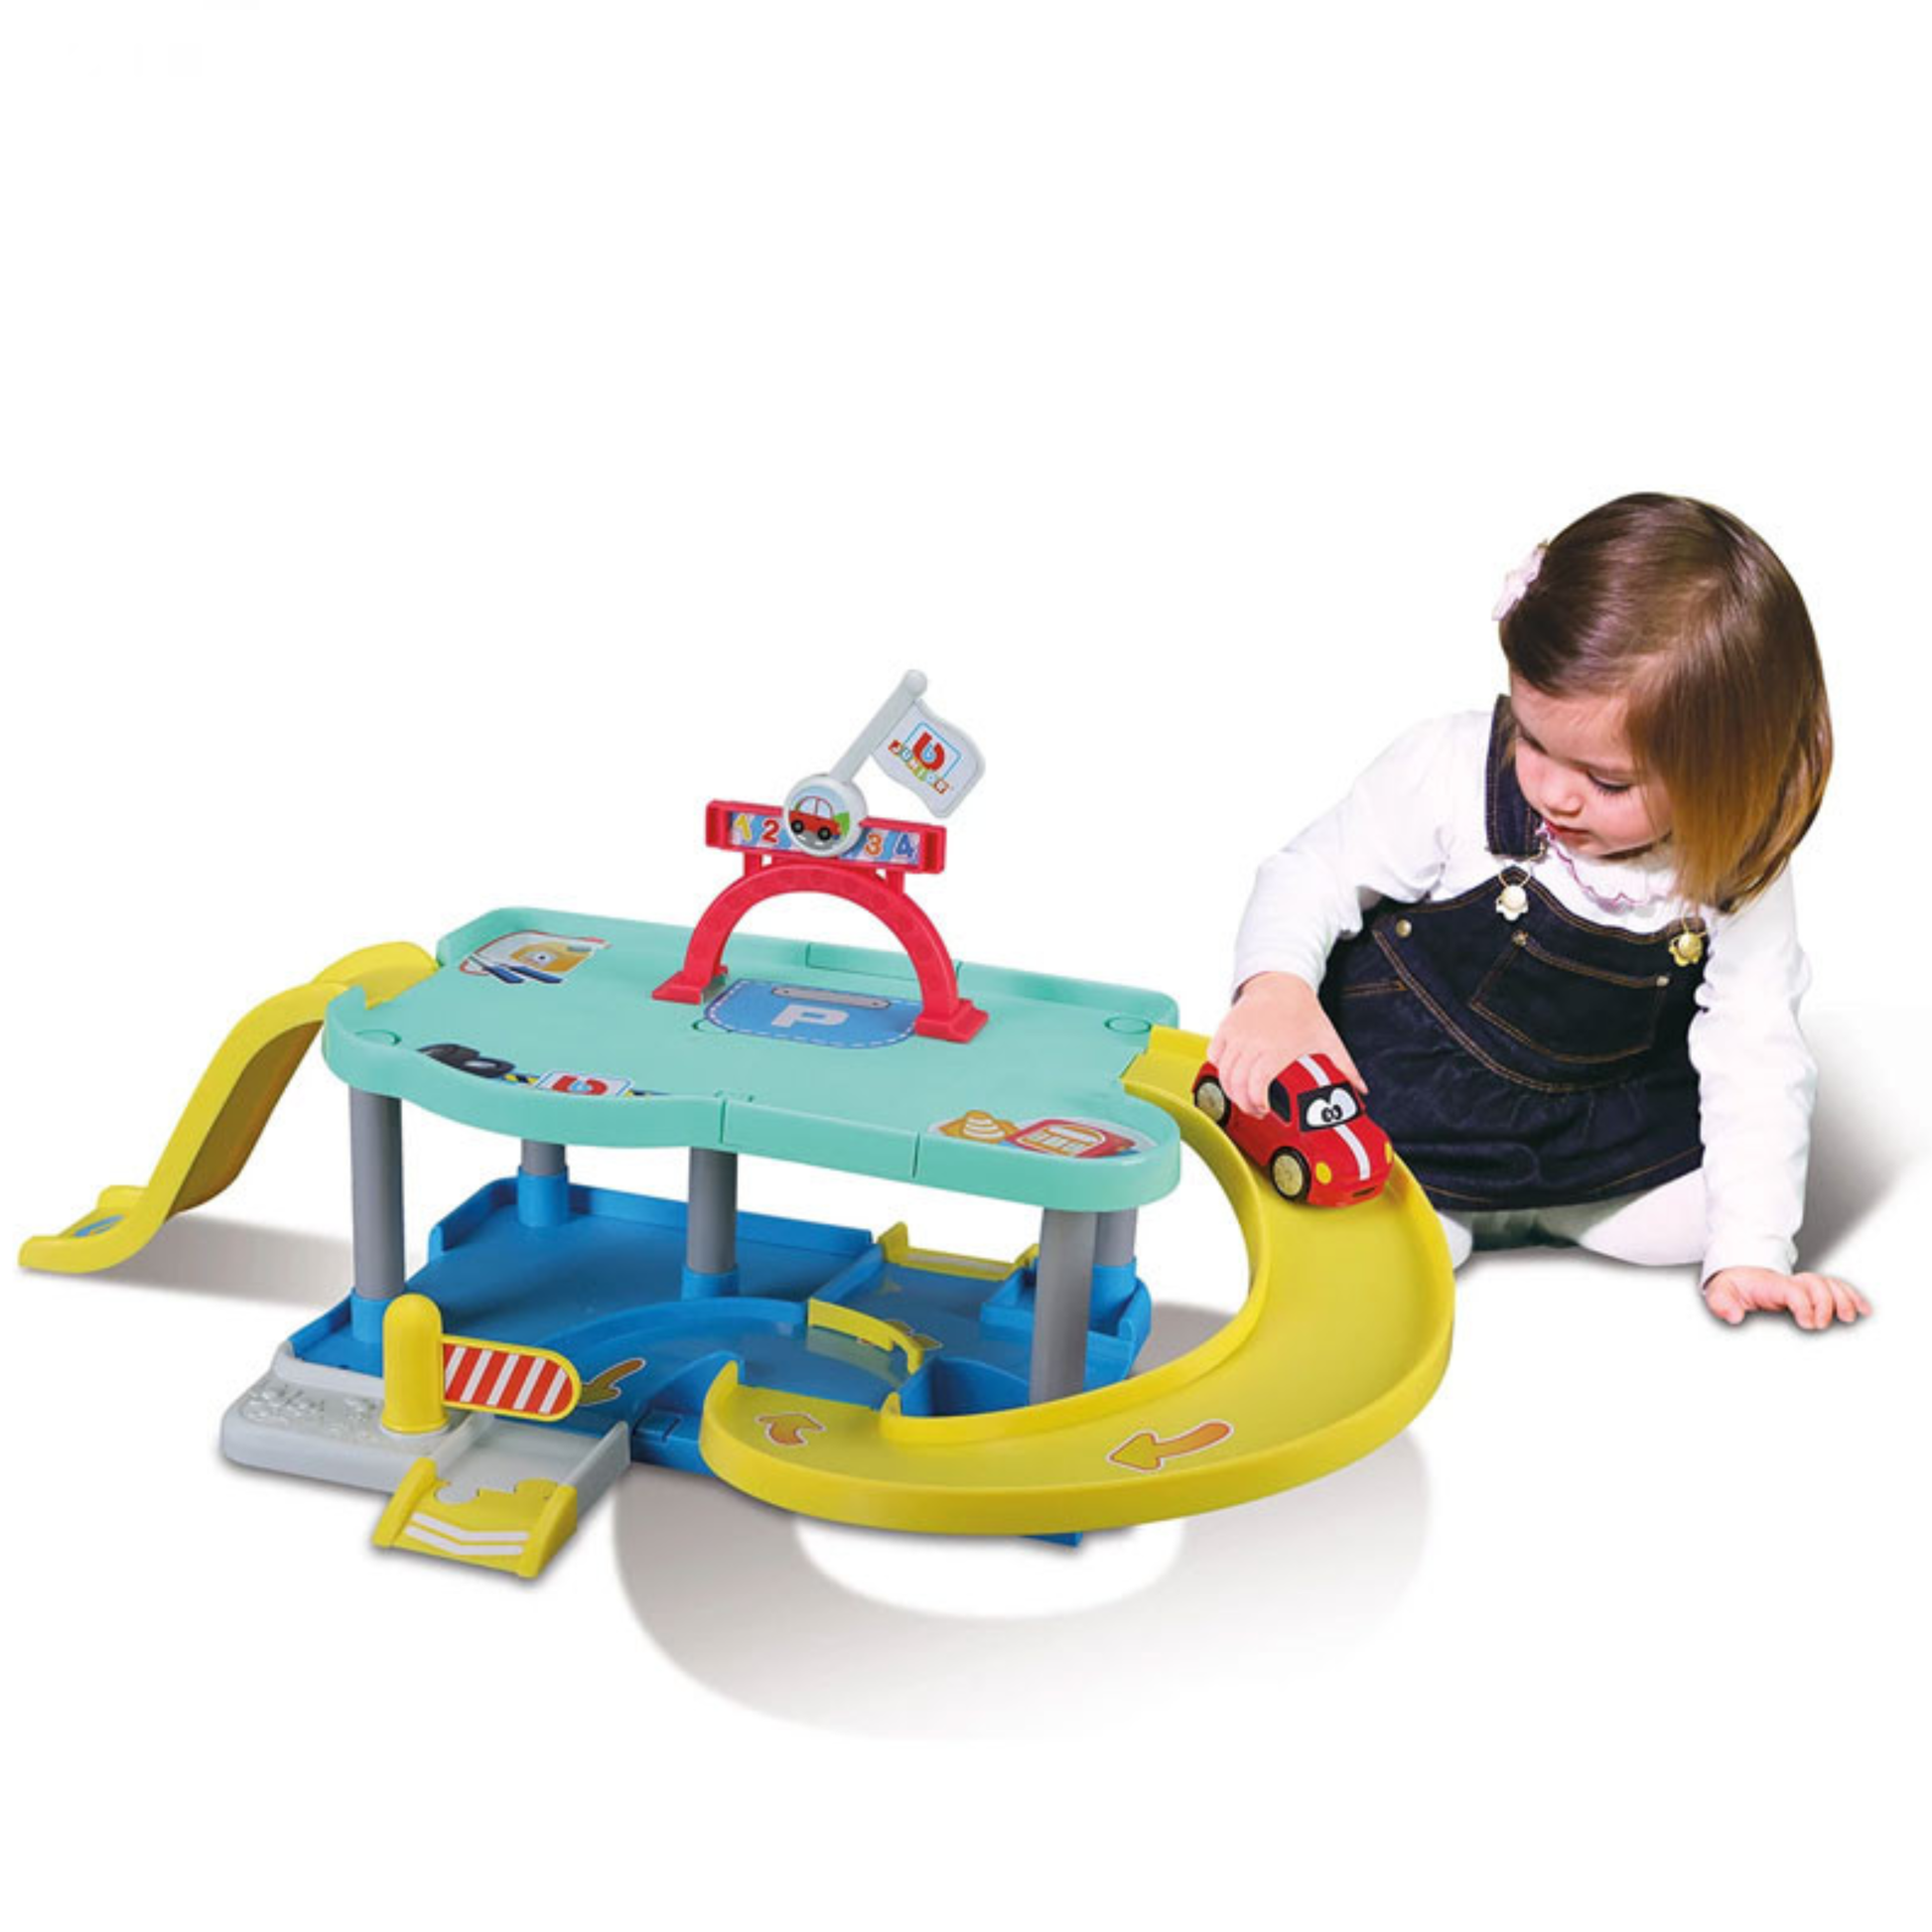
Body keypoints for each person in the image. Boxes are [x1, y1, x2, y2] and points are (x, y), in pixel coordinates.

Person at [1210, 492, 1868, 1329]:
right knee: (1385, 1238)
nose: (1554, 791)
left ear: (1726, 775)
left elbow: (1757, 1046)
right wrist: (1275, 989)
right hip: (1423, 1098)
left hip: (1593, 1118)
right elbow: (1313, 872)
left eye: (1609, 781)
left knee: (1713, 1220)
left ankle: (1551, 1210)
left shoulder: (1734, 862)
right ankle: (1448, 1209)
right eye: (1531, 736)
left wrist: (1753, 1252)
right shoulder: (1450, 769)